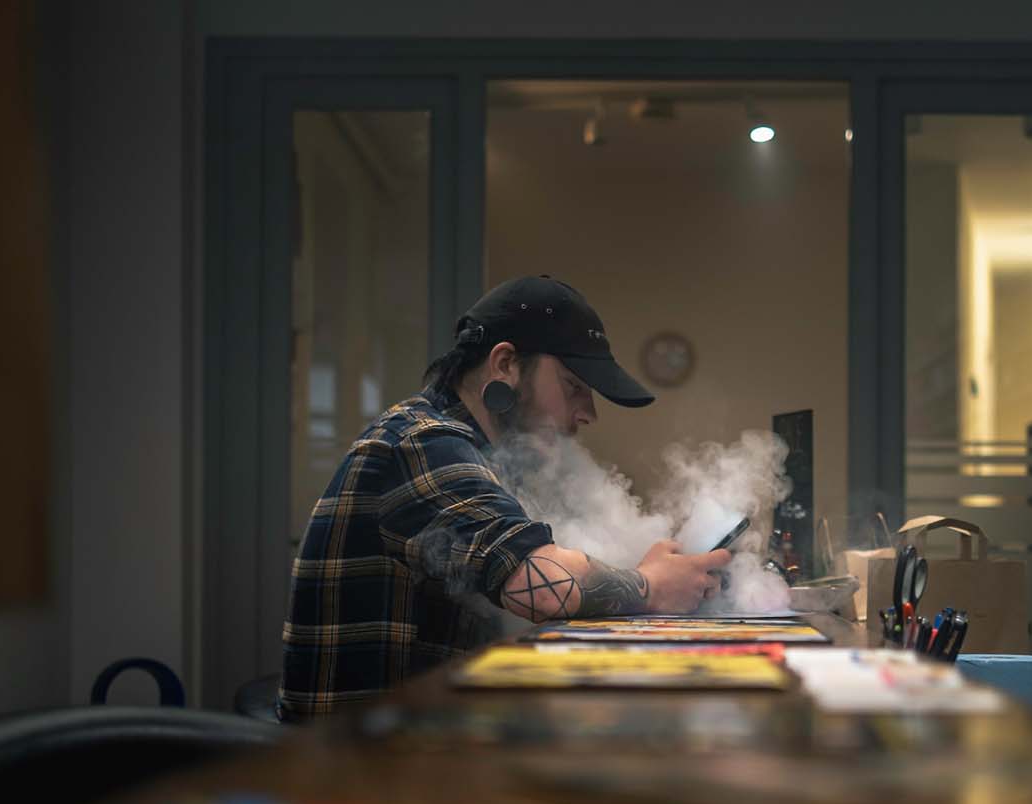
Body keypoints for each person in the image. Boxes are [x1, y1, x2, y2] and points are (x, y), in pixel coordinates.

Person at [278, 275, 730, 720]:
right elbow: (541, 588)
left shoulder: (473, 454)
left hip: (412, 742)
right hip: (360, 765)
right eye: (575, 386)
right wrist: (650, 585)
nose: (588, 413)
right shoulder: (422, 443)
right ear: (506, 365)